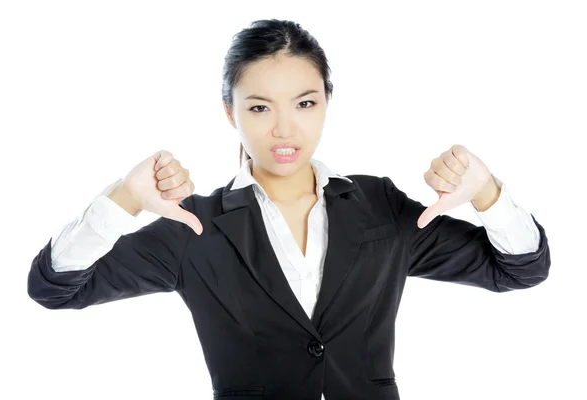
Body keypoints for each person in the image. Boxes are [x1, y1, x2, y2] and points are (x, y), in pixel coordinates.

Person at [27, 19, 551, 400]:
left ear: (326, 101)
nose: (283, 129)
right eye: (259, 107)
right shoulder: (194, 228)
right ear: (229, 112)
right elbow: (54, 288)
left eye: (305, 103)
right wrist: (126, 198)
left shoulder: (379, 208)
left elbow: (521, 269)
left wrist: (486, 192)